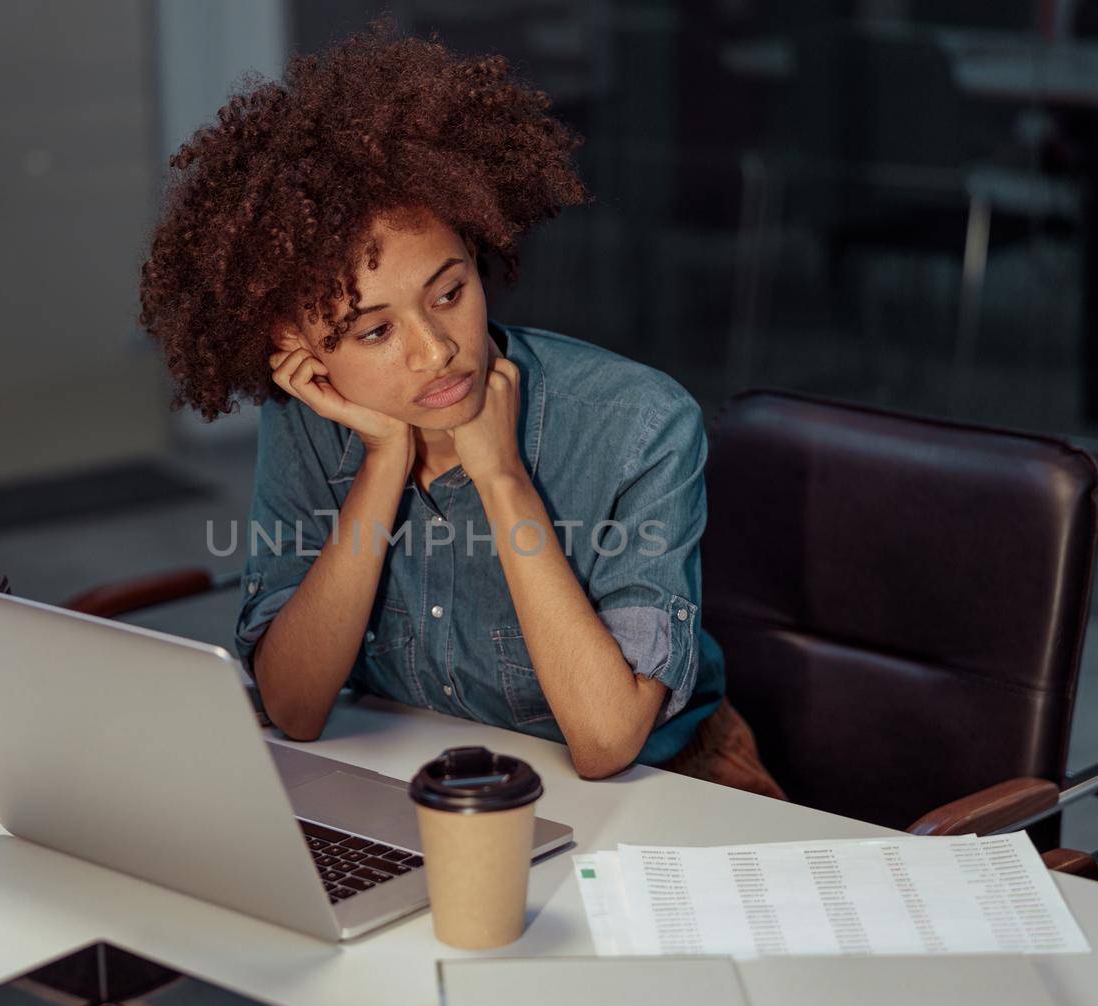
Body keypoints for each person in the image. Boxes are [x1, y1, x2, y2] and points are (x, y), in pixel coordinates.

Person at [139, 18, 784, 797]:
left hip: (668, 790)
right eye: (375, 330)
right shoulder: (310, 421)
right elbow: (295, 707)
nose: (436, 350)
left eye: (450, 292)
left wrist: (502, 475)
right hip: (429, 783)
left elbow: (609, 738)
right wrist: (384, 463)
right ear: (299, 348)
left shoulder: (640, 425)